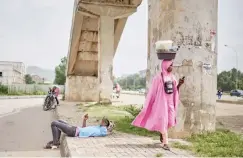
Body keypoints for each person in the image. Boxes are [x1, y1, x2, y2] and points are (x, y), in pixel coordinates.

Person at [132, 60, 184, 150]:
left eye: (172, 65)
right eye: (170, 65)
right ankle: (165, 143)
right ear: (165, 65)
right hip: (161, 104)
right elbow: (153, 92)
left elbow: (175, 90)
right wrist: (151, 103)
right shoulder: (158, 78)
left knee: (170, 121)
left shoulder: (172, 77)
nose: (172, 67)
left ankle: (162, 132)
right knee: (163, 120)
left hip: (170, 103)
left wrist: (179, 84)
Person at [44, 114, 111, 149]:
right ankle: (57, 141)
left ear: (105, 125)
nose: (102, 121)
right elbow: (84, 128)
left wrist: (109, 127)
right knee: (59, 121)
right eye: (102, 120)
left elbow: (105, 132)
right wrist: (84, 120)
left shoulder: (102, 130)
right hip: (76, 128)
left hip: (74, 131)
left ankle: (55, 143)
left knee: (54, 123)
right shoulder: (97, 127)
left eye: (104, 121)